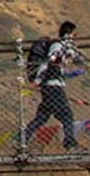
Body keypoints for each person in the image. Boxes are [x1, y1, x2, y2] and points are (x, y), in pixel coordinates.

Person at [20, 22, 82, 152]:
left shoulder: (64, 47)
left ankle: (21, 138)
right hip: (53, 87)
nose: (75, 37)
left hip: (51, 87)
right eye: (74, 34)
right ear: (68, 34)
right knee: (67, 115)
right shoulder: (57, 46)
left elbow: (73, 56)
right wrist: (38, 79)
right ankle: (69, 143)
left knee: (42, 117)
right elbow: (48, 62)